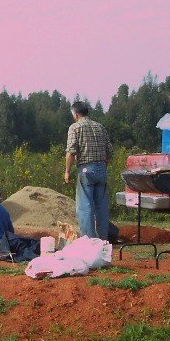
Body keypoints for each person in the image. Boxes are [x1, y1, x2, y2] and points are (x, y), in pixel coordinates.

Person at [64, 101, 113, 240]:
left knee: (85, 207)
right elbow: (109, 151)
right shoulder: (100, 127)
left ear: (76, 114)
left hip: (85, 169)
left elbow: (71, 151)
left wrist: (67, 171)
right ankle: (103, 240)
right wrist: (103, 165)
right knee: (101, 207)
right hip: (101, 168)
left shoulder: (75, 127)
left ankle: (89, 241)